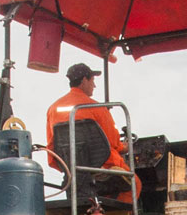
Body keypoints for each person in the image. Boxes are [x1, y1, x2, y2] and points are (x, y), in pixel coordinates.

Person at [45, 62, 141, 197]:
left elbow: (51, 143)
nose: (94, 85)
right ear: (84, 80)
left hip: (69, 166)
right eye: (93, 81)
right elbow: (113, 142)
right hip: (99, 165)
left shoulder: (53, 109)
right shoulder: (97, 107)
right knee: (134, 183)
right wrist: (124, 147)